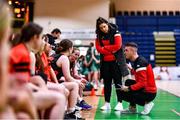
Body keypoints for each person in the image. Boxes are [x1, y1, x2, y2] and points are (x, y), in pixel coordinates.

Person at [95, 17, 131, 111]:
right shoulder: (99, 35)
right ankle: (107, 103)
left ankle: (120, 103)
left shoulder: (116, 32)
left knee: (118, 83)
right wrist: (110, 49)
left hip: (116, 62)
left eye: (104, 26)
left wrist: (105, 48)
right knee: (107, 84)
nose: (103, 29)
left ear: (107, 24)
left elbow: (118, 46)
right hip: (105, 63)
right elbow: (98, 49)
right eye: (101, 28)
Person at [121, 42, 157, 115]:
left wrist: (129, 88)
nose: (124, 52)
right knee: (128, 81)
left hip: (148, 93)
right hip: (147, 89)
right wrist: (131, 69)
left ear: (133, 51)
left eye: (126, 50)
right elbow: (140, 75)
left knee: (122, 93)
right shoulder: (138, 61)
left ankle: (147, 104)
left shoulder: (140, 63)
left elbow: (142, 83)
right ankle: (132, 108)